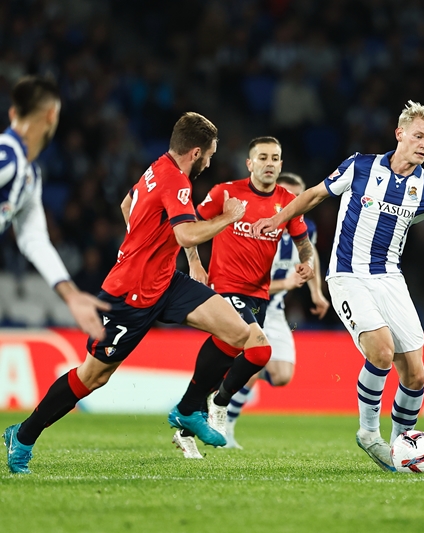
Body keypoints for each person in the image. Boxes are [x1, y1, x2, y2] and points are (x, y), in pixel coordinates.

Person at [250, 101, 424, 472]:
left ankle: (402, 445)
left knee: (416, 374)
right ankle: (369, 433)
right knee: (381, 351)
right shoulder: (360, 167)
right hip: (347, 275)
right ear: (400, 134)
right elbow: (315, 194)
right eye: (418, 136)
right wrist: (279, 219)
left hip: (389, 279)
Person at [3, 112, 259, 474]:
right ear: (196, 153)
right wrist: (228, 218)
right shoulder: (176, 181)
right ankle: (23, 435)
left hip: (165, 281)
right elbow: (186, 233)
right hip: (130, 295)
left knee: (237, 333)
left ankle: (188, 409)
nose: (210, 162)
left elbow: (128, 206)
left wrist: (154, 247)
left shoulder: (157, 168)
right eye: (210, 155)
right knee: (93, 377)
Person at [171, 138, 317, 459]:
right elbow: (188, 227)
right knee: (261, 350)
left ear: (281, 164)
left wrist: (307, 262)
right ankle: (220, 403)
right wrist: (195, 263)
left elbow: (304, 243)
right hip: (225, 288)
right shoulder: (226, 193)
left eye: (275, 158)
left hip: (259, 295)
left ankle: (186, 426)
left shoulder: (287, 202)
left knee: (224, 366)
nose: (269, 163)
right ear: (250, 163)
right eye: (262, 157)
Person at [223, 172, 330, 449]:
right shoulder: (253, 227)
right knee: (254, 362)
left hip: (276, 309)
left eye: (296, 198)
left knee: (282, 375)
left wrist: (316, 291)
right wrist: (286, 283)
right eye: (284, 196)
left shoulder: (305, 229)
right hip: (247, 306)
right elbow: (243, 284)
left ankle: (229, 381)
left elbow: (311, 255)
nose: (289, 203)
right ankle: (225, 424)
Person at [0, 76, 108, 340]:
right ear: (51, 115)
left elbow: (34, 239)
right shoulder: (7, 155)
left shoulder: (29, 175)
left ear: (13, 113)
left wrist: (71, 294)